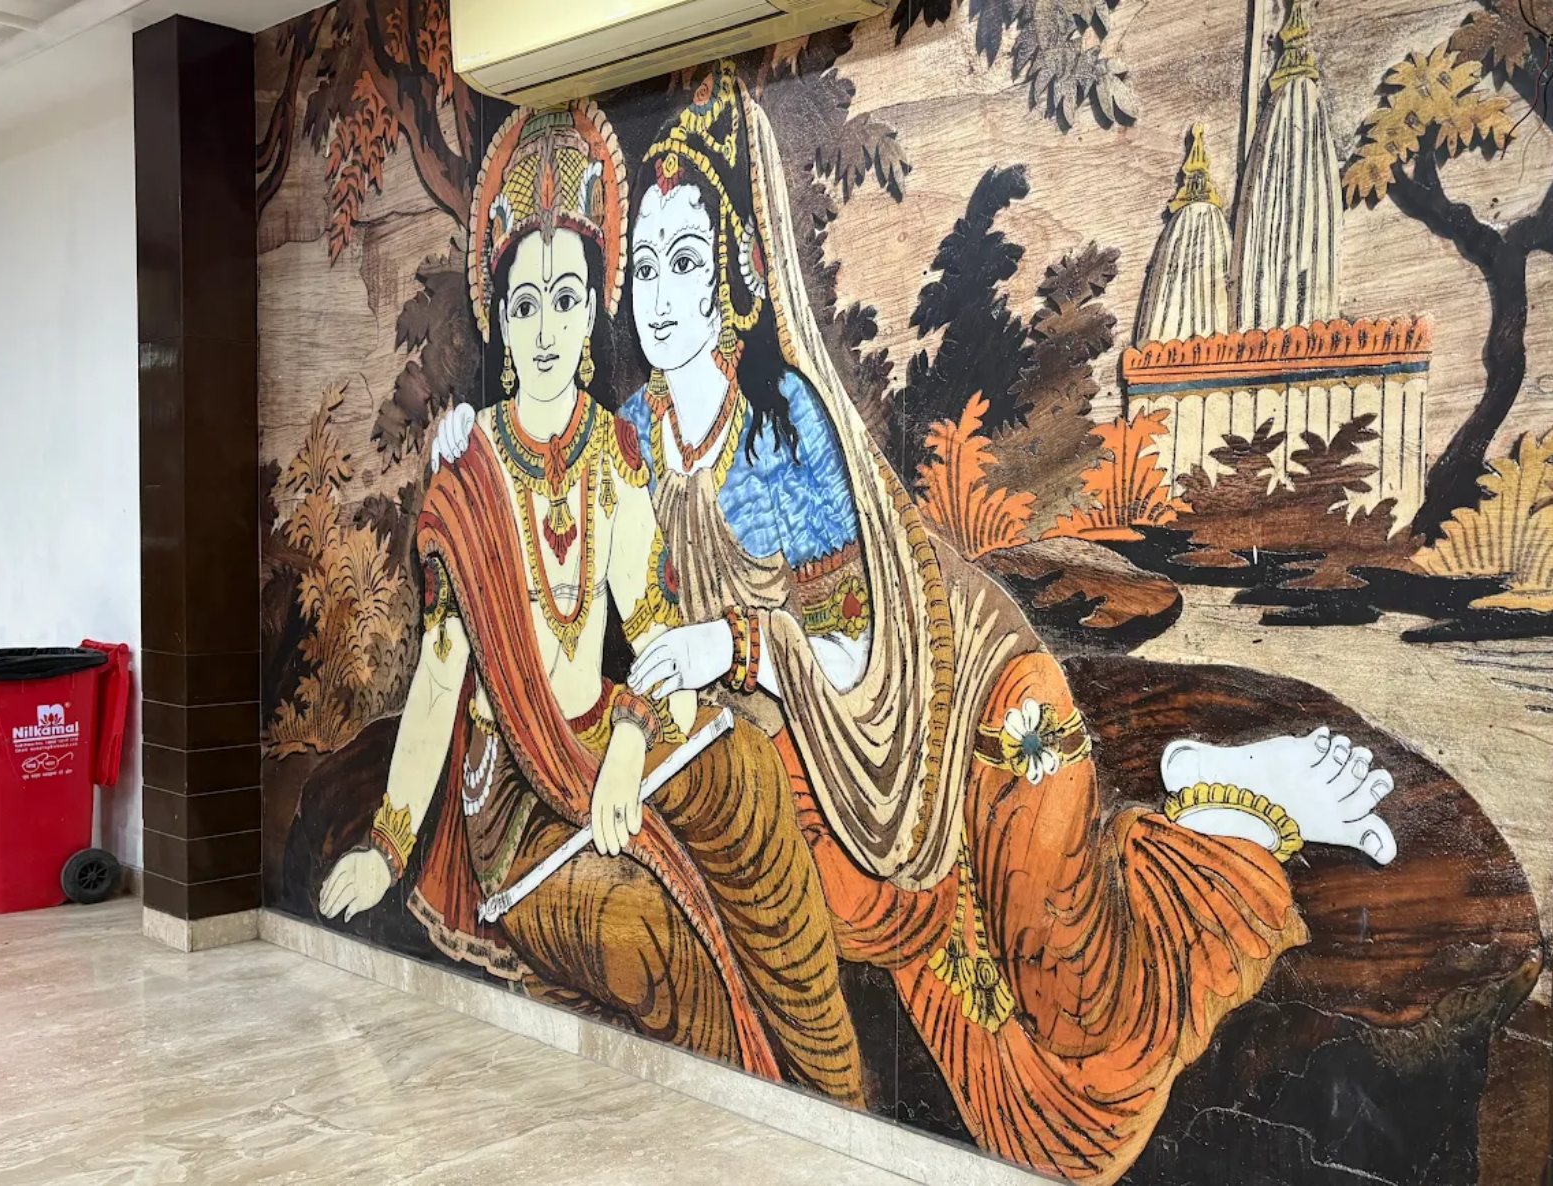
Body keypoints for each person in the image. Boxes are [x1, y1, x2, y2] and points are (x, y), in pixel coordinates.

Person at [613, 62, 1399, 1182]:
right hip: (831, 770)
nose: (660, 295)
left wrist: (732, 646)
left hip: (956, 708)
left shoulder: (784, 432)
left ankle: (1229, 808)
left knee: (1078, 1000)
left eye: (687, 261)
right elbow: (573, 535)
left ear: (737, 276)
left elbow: (859, 644)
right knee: (1037, 1110)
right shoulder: (635, 435)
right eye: (643, 266)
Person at [316, 100, 863, 1104]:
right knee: (650, 929)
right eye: (524, 305)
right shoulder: (468, 475)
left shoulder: (616, 451)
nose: (545, 328)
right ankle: (738, 1120)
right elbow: (438, 680)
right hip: (516, 788)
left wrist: (625, 748)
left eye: (565, 299)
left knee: (745, 775)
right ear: (500, 322)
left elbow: (647, 620)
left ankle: (834, 1086)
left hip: (607, 735)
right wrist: (387, 847)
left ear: (591, 315)